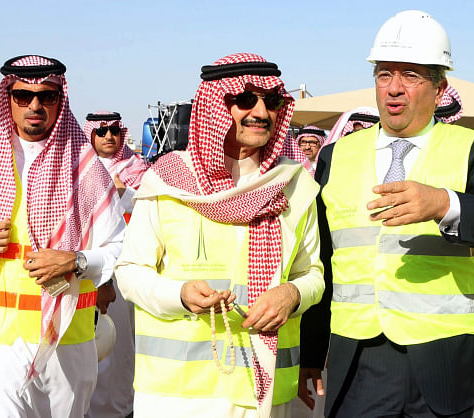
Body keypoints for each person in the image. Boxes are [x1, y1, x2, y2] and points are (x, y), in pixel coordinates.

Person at [298, 10, 474, 418]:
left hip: (448, 362)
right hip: (359, 362)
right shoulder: (336, 156)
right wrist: (312, 351)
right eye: (385, 74)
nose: (394, 89)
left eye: (411, 76)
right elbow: (325, 259)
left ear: (440, 90)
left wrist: (444, 203)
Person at [115, 52, 324, 418]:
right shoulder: (168, 180)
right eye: (244, 100)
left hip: (265, 391)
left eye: (271, 101)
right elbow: (130, 273)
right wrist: (178, 294)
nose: (261, 112)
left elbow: (313, 275)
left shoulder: (294, 185)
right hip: (178, 394)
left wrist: (292, 294)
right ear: (214, 106)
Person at [0, 55, 125, 417]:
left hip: (66, 345)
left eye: (48, 96)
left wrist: (77, 261)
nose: (35, 106)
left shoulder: (86, 170)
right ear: (8, 98)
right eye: (23, 95)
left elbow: (120, 247)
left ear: (61, 99)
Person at [83, 111, 143, 418]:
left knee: (123, 346)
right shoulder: (78, 170)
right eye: (101, 130)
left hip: (128, 271)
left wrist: (125, 192)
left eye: (114, 130)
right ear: (90, 134)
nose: (108, 136)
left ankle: (122, 408)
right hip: (90, 271)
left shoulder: (141, 172)